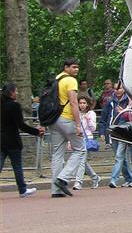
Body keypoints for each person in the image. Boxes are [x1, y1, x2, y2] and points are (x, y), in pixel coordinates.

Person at [47, 58, 84, 197]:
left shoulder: (57, 79)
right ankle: (63, 178)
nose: (76, 70)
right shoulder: (70, 81)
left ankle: (55, 191)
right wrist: (78, 124)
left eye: (77, 67)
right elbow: (74, 103)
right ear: (66, 67)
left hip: (54, 120)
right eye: (74, 67)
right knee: (80, 149)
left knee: (57, 154)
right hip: (67, 119)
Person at [1, 82, 44, 197]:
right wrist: (36, 132)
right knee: (17, 167)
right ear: (11, 93)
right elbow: (21, 125)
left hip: (1, 140)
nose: (17, 93)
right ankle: (22, 189)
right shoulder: (14, 106)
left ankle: (23, 189)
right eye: (16, 91)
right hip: (13, 140)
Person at [105, 82, 132, 188]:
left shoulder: (129, 100)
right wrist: (102, 132)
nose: (118, 90)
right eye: (116, 89)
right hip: (113, 131)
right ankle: (129, 178)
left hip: (124, 132)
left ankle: (114, 179)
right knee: (121, 158)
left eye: (120, 88)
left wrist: (123, 111)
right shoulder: (110, 102)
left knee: (119, 156)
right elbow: (104, 119)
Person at [74, 94, 100, 189]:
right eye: (80, 103)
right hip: (77, 139)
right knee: (82, 161)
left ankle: (78, 182)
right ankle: (95, 177)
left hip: (87, 138)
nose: (82, 105)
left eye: (84, 103)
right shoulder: (76, 113)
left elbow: (93, 128)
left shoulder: (91, 113)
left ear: (88, 104)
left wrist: (88, 120)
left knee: (81, 161)